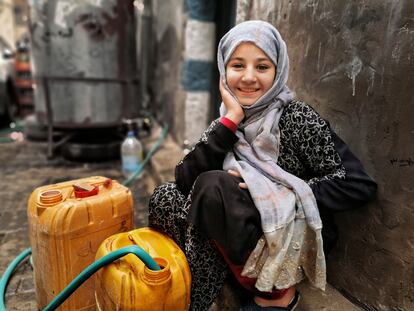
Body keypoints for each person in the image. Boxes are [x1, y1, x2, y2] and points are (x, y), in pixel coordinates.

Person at [148, 20, 377, 311]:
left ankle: (275, 294)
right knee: (165, 198)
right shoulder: (228, 122)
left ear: (278, 70)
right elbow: (184, 179)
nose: (248, 78)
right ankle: (222, 278)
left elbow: (357, 183)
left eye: (262, 67)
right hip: (240, 229)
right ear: (223, 71)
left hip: (286, 234)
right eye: (237, 65)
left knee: (213, 185)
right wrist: (231, 120)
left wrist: (278, 192)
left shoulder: (295, 118)